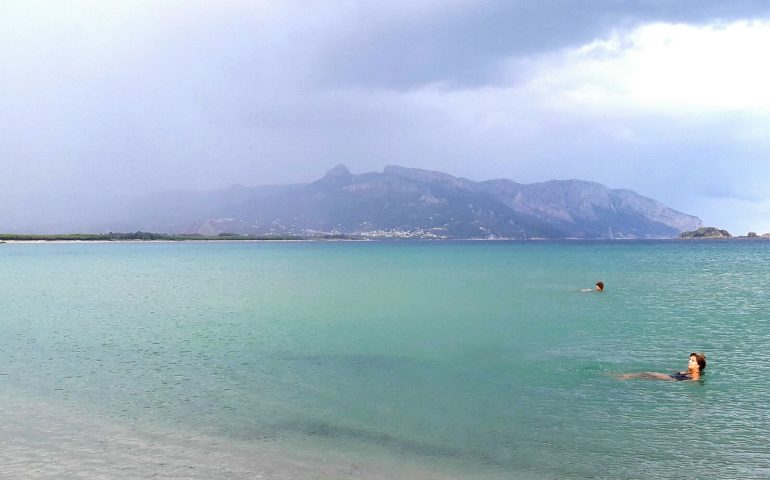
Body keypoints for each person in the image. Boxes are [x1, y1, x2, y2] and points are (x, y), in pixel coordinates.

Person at [617, 353, 707, 381]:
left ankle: (626, 377)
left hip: (671, 379)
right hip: (672, 377)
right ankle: (626, 376)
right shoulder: (689, 371)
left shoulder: (696, 375)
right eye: (689, 359)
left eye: (692, 361)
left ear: (698, 365)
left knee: (647, 373)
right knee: (647, 374)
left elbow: (695, 381)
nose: (689, 361)